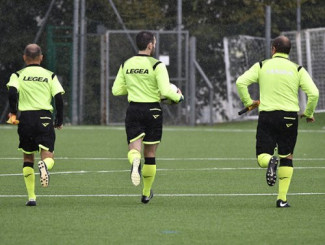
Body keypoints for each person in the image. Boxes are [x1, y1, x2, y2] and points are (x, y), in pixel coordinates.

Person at [236, 35, 319, 208]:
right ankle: (282, 199)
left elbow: (240, 82)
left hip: (267, 116)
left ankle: (270, 161)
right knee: (287, 158)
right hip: (290, 117)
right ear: (289, 51)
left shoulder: (262, 65)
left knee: (262, 157)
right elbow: (314, 93)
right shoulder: (298, 69)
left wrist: (248, 102)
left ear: (273, 49)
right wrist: (309, 112)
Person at [112, 31, 184, 204]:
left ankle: (135, 161)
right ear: (150, 45)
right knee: (150, 153)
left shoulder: (126, 63)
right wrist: (179, 97)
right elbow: (166, 91)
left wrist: (135, 87)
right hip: (153, 110)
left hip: (134, 109)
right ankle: (145, 193)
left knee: (134, 149)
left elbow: (116, 90)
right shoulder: (157, 65)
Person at [6, 44, 65, 206]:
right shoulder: (50, 75)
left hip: (25, 119)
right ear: (41, 57)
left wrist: (13, 112)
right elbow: (59, 97)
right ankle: (44, 166)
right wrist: (59, 119)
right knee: (48, 155)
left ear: (24, 57)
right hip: (44, 117)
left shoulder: (18, 75)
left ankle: (31, 197)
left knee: (27, 157)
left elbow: (12, 92)